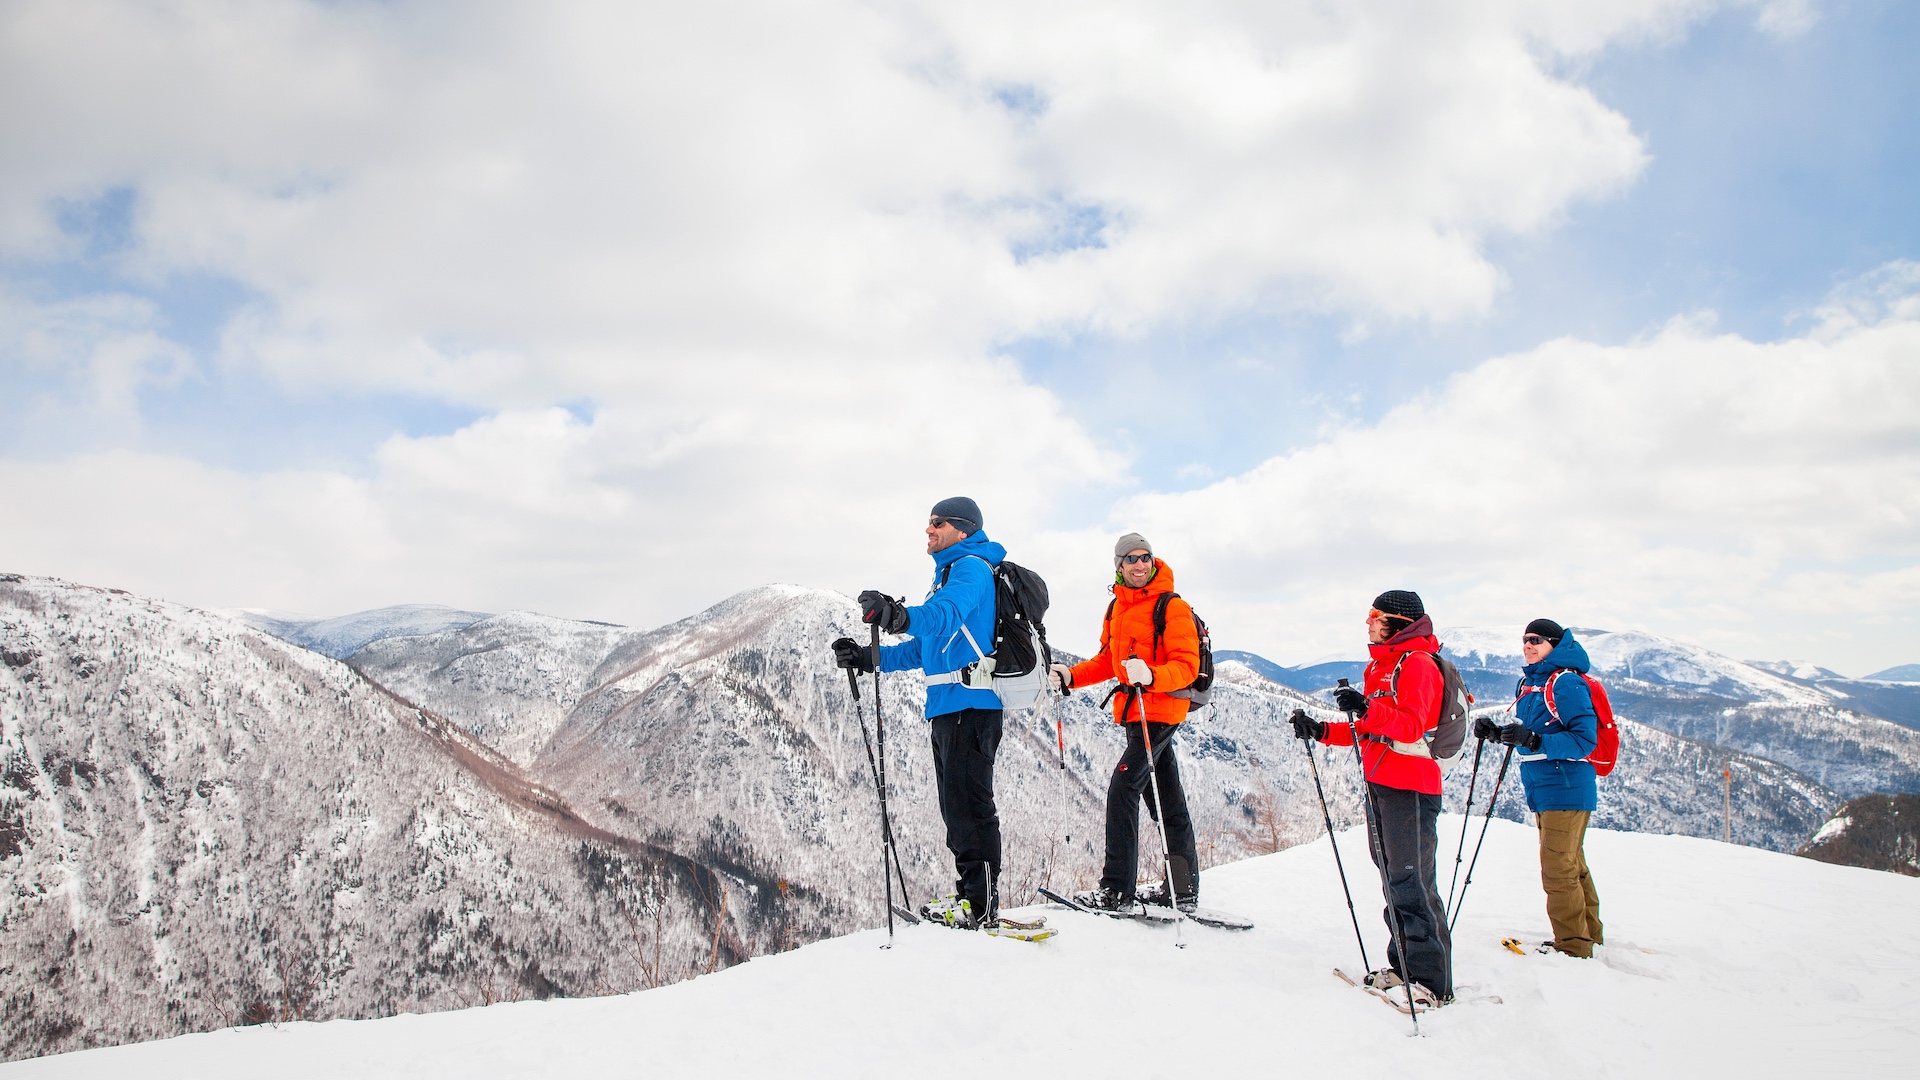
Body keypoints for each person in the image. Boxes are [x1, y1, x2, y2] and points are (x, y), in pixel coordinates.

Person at [831, 497, 1007, 929]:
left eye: (938, 523)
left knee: (969, 808)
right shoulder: (947, 574)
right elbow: (923, 648)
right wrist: (868, 658)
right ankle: (970, 896)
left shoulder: (971, 568)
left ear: (962, 530)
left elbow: (943, 617)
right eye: (928, 522)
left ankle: (980, 904)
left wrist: (898, 615)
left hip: (971, 704)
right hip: (949, 707)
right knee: (956, 808)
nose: (928, 529)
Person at [1290, 589, 1453, 1007]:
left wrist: (1366, 708)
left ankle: (1431, 983)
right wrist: (1322, 731)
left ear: (1398, 622)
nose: (1369, 622)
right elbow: (1370, 730)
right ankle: (1404, 967)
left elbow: (1412, 725)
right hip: (1380, 781)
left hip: (1412, 786)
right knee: (1394, 878)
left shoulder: (1417, 664)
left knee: (1413, 881)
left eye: (1375, 615)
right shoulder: (1381, 666)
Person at [1048, 533, 1202, 914]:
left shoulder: (1172, 606)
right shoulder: (1116, 607)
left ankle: (1117, 891)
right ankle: (1182, 890)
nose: (1139, 564)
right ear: (1119, 566)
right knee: (1166, 800)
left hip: (1160, 712)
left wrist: (1150, 675)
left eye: (1145, 557)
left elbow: (1187, 667)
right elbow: (1107, 661)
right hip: (1136, 714)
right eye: (1131, 559)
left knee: (1123, 788)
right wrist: (1071, 676)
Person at [1474, 618, 1604, 958]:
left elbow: (1584, 740)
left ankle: (1573, 947)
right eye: (1525, 639)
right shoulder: (1530, 683)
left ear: (1554, 646)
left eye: (1537, 640)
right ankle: (1589, 936)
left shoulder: (1566, 683)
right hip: (1545, 786)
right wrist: (1499, 733)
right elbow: (1534, 734)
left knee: (1558, 869)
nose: (1528, 645)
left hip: (1566, 785)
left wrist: (1533, 740)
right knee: (1571, 864)